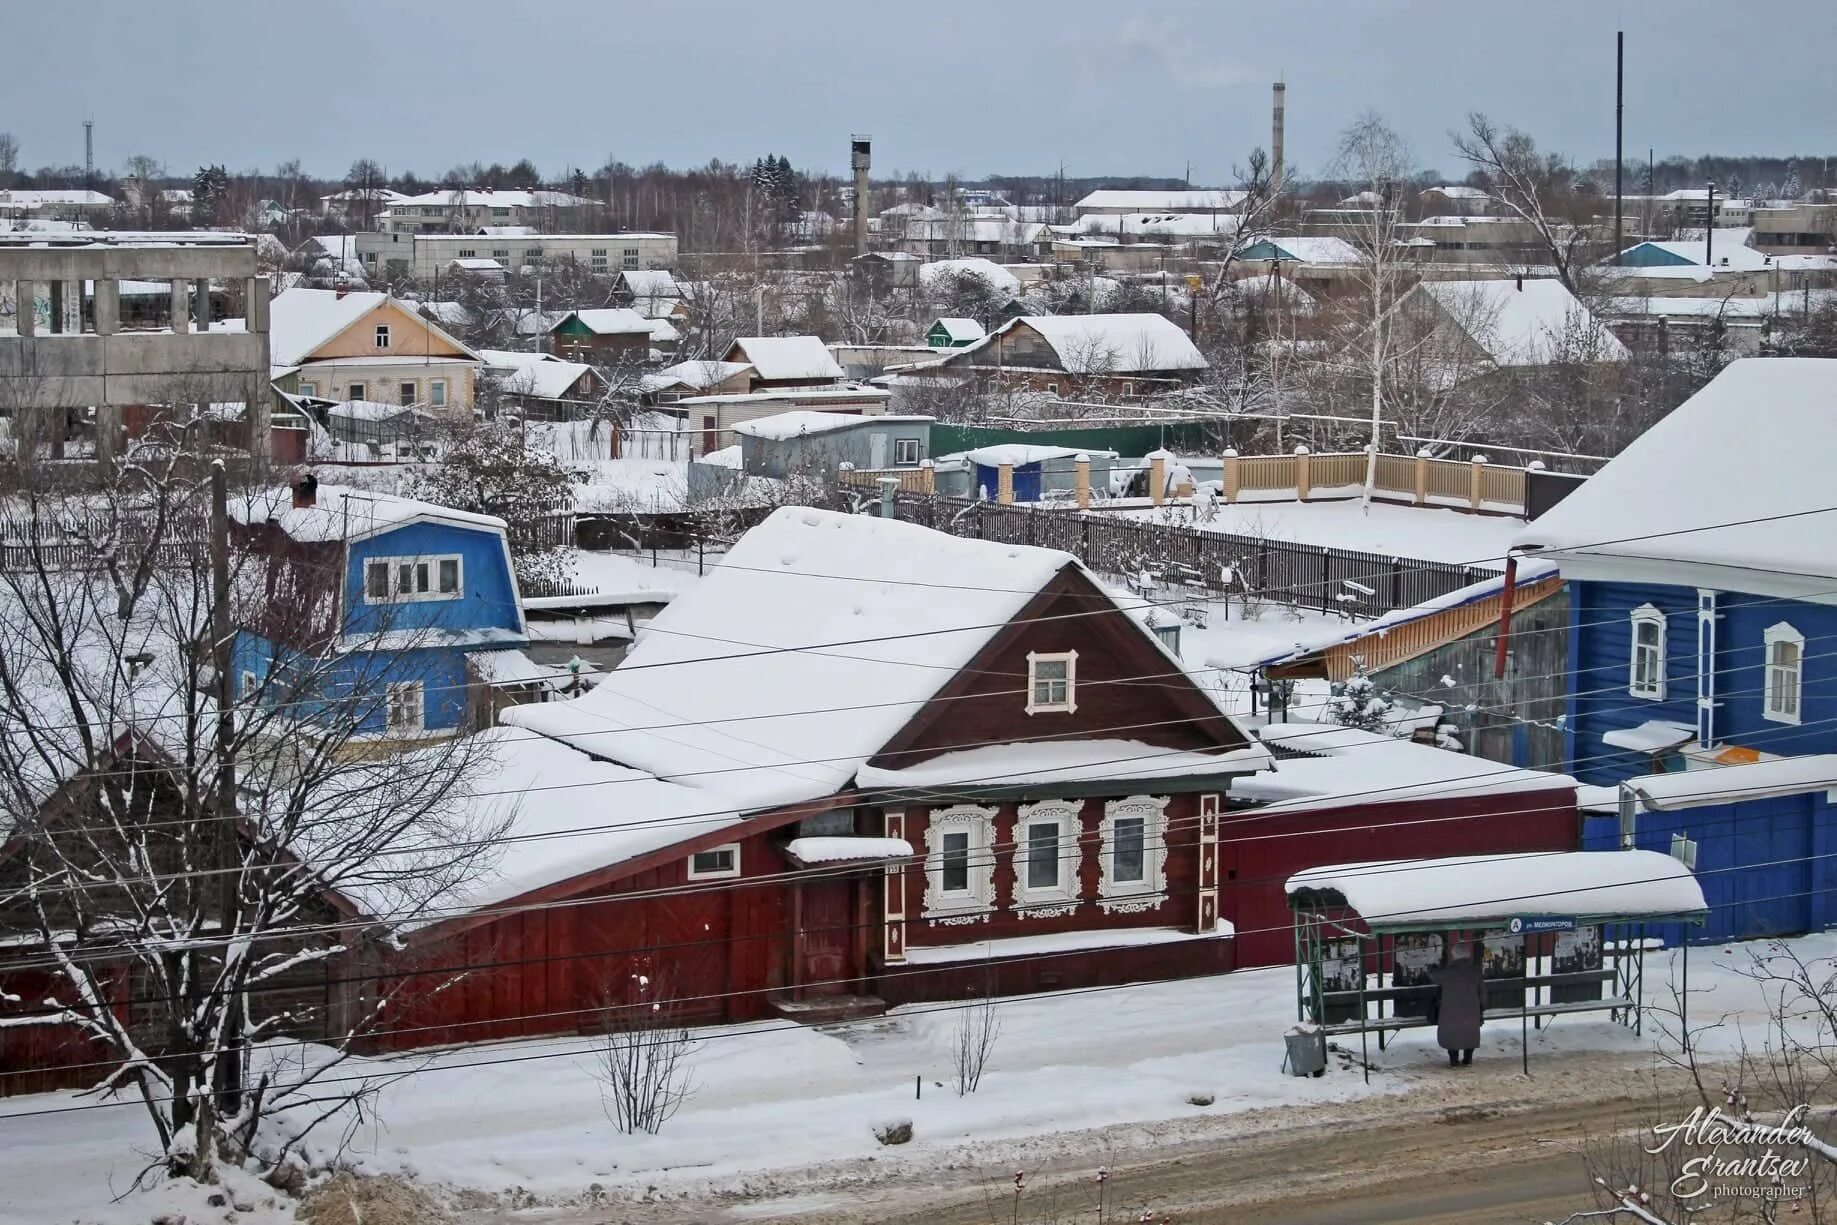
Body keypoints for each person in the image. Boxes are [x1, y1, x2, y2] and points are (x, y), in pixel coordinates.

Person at [1428, 943, 1484, 1067]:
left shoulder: (1448, 972)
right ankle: (1468, 1059)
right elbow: (1482, 992)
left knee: (1452, 1034)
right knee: (1470, 1032)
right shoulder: (1475, 971)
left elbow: (1433, 976)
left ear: (1454, 955)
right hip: (1472, 1009)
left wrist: (1432, 966)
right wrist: (1482, 1007)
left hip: (1450, 1010)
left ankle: (1454, 1060)